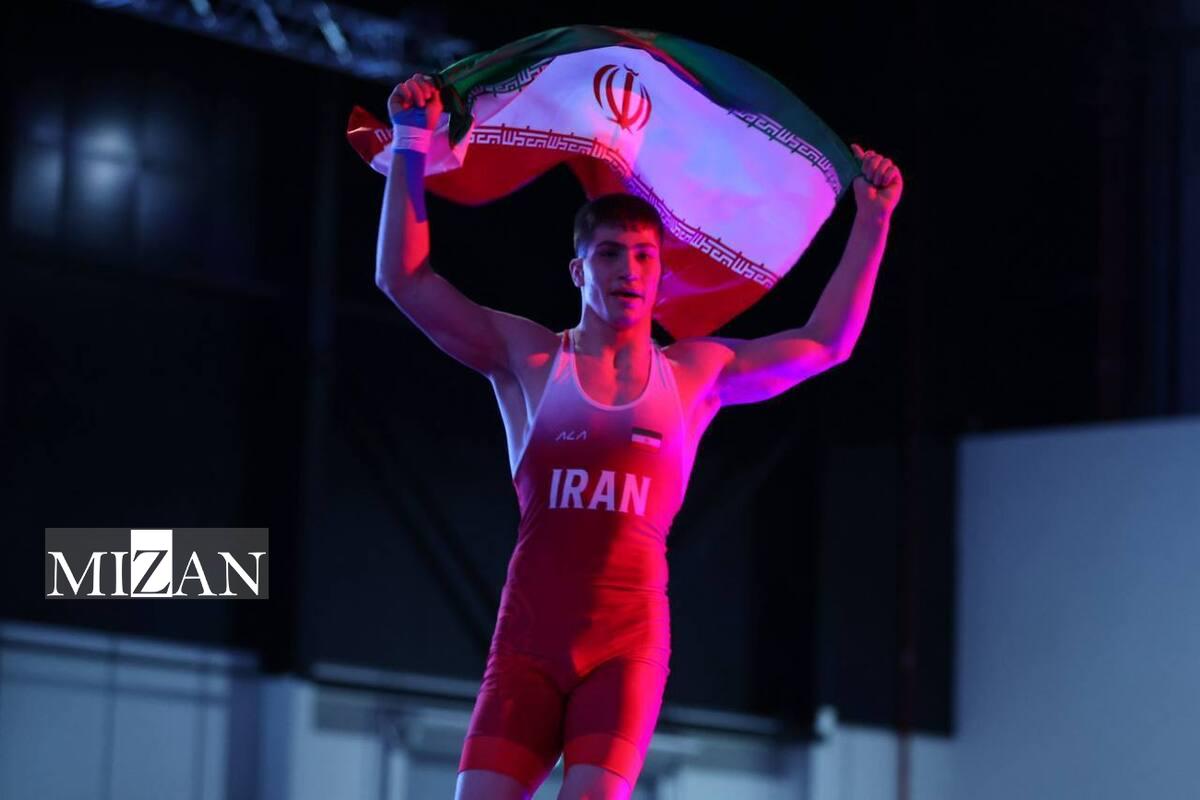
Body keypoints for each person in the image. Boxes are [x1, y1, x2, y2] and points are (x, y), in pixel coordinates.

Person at [377, 73, 902, 800]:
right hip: (525, 648)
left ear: (661, 274)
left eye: (645, 256)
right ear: (578, 270)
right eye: (610, 254)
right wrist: (409, 142)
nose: (629, 269)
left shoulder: (693, 375)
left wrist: (872, 223)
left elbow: (825, 343)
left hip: (624, 652)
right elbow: (404, 280)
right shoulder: (530, 359)